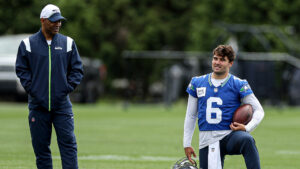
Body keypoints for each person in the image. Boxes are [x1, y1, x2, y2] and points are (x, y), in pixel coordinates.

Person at [15, 4, 83, 169]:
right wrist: (33, 90)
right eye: (53, 21)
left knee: (69, 147)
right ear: (43, 21)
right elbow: (22, 70)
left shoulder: (68, 43)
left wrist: (66, 88)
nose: (58, 24)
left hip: (62, 106)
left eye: (59, 21)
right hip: (38, 106)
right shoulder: (27, 44)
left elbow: (77, 70)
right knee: (41, 150)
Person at [183, 45, 264, 169]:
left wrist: (247, 128)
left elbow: (259, 110)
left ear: (230, 63)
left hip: (229, 136)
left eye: (222, 60)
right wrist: (187, 143)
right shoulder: (197, 82)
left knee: (247, 140)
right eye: (215, 58)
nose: (217, 62)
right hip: (207, 140)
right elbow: (191, 115)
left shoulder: (239, 84)